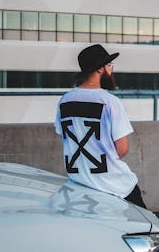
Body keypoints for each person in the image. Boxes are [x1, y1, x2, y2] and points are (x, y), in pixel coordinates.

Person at [54, 44, 146, 208]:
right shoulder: (110, 102)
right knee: (145, 228)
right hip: (116, 186)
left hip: (80, 183)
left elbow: (67, 138)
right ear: (99, 69)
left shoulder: (65, 100)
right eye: (109, 66)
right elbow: (122, 149)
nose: (111, 70)